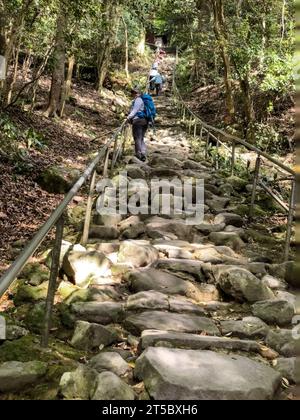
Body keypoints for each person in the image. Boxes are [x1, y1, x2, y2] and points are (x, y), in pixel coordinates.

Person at [126, 87, 148, 162]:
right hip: (144, 121)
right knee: (141, 137)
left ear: (136, 93)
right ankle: (143, 153)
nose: (132, 94)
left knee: (137, 138)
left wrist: (128, 117)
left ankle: (139, 154)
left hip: (138, 121)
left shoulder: (138, 100)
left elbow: (135, 110)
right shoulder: (140, 100)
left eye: (133, 93)